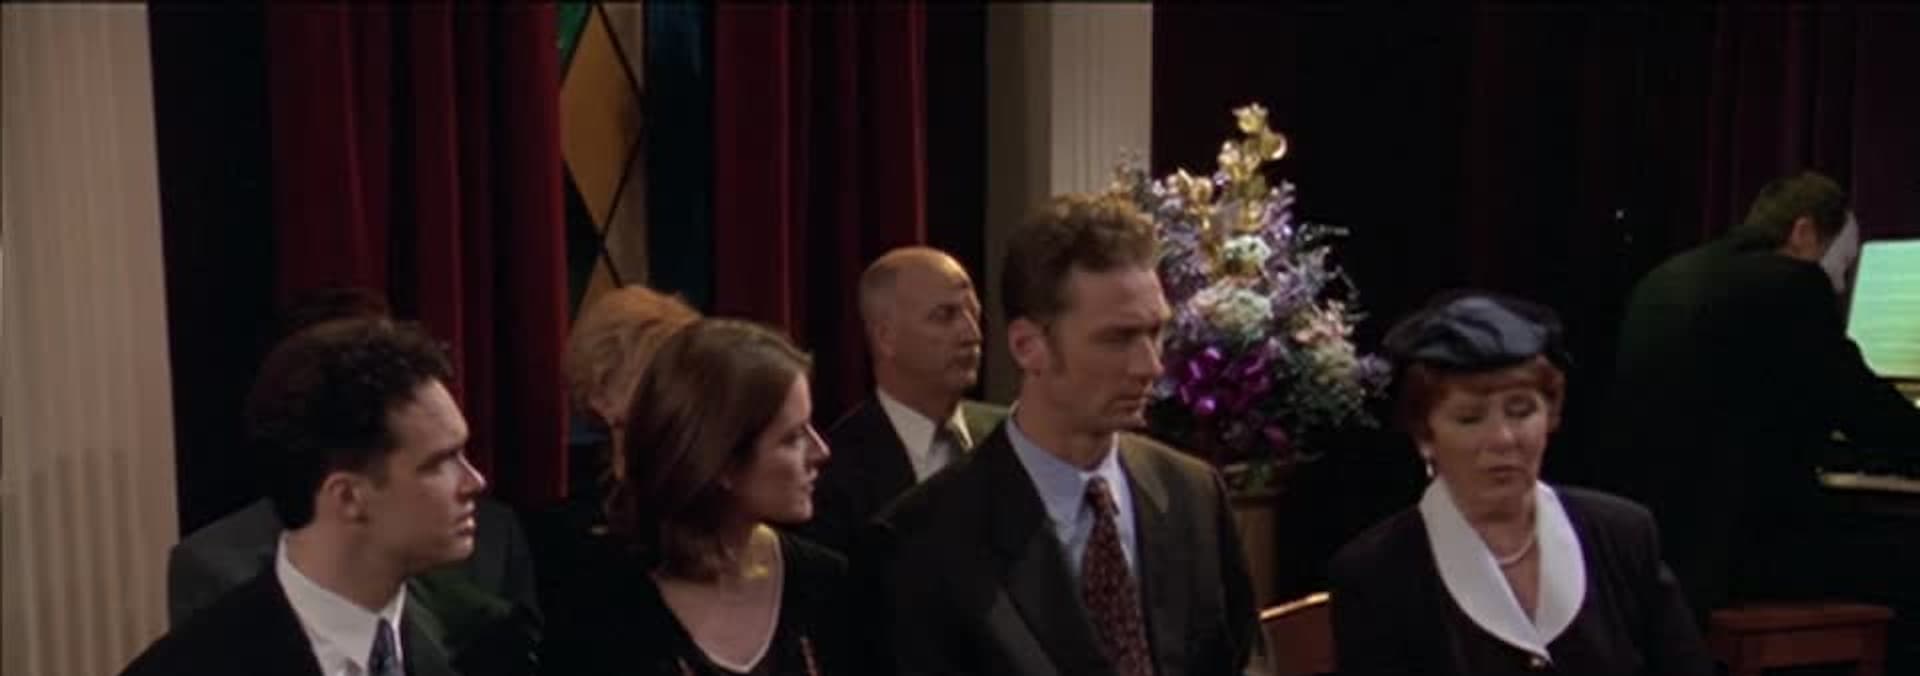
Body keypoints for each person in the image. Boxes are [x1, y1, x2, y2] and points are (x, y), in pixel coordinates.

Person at [858, 194, 1257, 676]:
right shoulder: (924, 540)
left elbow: (1245, 660)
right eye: (1117, 338)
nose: (1150, 366)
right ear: (1028, 346)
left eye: (1155, 332)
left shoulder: (1193, 492)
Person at [1597, 172, 1920, 631]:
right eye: (1843, 266)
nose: (1840, 286)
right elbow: (1869, 413)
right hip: (1732, 557)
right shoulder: (1793, 285)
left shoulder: (1666, 277)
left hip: (1652, 549)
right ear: (1803, 232)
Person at [1329, 291, 1712, 676]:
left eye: (1521, 411)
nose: (1503, 438)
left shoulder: (1624, 536)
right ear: (1425, 436)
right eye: (1470, 418)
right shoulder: (1376, 574)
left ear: (1551, 416)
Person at [165, 288, 538, 655]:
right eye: (440, 461)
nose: (476, 481)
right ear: (348, 496)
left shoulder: (485, 645)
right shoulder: (196, 660)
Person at [543, 319, 847, 675]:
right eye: (792, 438)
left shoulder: (826, 583)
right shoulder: (598, 598)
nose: (821, 451)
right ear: (722, 461)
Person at [802, 246, 1006, 554]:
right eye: (945, 316)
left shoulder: (1013, 435)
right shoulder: (833, 473)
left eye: (974, 314)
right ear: (886, 337)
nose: (972, 334)